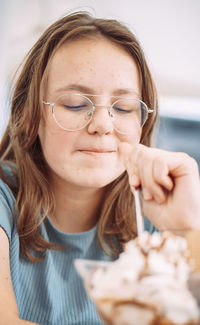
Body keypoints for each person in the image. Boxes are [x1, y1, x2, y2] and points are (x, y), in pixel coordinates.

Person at [0, 11, 200, 325]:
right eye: (75, 104)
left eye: (123, 108)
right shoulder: (4, 199)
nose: (103, 125)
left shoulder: (155, 216)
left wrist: (185, 230)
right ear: (32, 118)